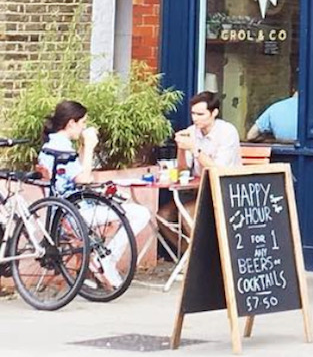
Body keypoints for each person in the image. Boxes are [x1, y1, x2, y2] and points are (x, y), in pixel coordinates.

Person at [36, 99, 151, 290]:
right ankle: (108, 259)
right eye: (83, 123)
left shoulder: (52, 145)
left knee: (117, 216)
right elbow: (84, 178)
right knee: (140, 213)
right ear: (71, 123)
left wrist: (82, 147)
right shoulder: (61, 149)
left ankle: (102, 261)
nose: (84, 127)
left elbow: (74, 171)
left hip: (62, 208)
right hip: (73, 213)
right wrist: (89, 146)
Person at [174, 91, 242, 174]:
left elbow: (218, 171)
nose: (195, 118)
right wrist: (181, 148)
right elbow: (183, 171)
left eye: (200, 114)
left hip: (226, 183)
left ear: (214, 113)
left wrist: (195, 149)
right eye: (193, 114)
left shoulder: (227, 132)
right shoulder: (191, 131)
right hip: (199, 184)